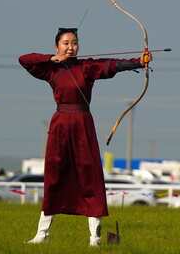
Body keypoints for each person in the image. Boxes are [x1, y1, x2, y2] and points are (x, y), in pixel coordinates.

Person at [19, 28, 151, 246]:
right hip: (60, 123)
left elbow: (112, 65)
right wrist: (52, 59)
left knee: (90, 175)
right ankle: (42, 234)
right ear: (57, 46)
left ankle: (95, 238)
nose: (71, 47)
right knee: (54, 176)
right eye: (66, 43)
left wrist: (139, 61)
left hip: (82, 123)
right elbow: (24, 60)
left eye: (75, 43)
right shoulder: (50, 69)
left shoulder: (86, 67)